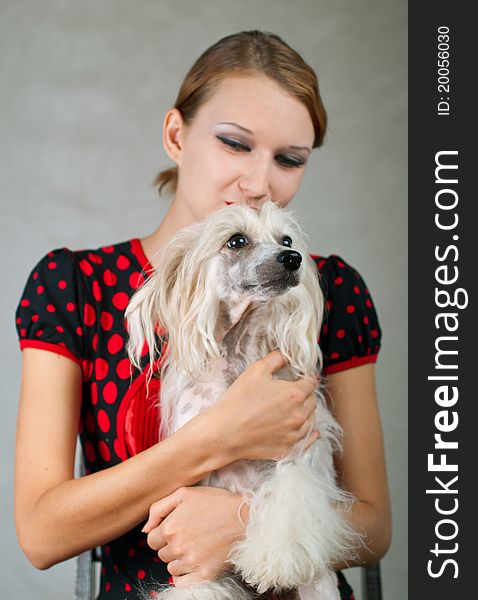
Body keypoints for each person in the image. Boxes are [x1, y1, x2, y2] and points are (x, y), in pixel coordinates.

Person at [14, 30, 391, 600]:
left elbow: (375, 528)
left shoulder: (324, 288)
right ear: (176, 135)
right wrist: (219, 436)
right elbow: (41, 533)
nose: (259, 185)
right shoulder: (76, 287)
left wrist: (244, 524)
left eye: (290, 159)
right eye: (235, 144)